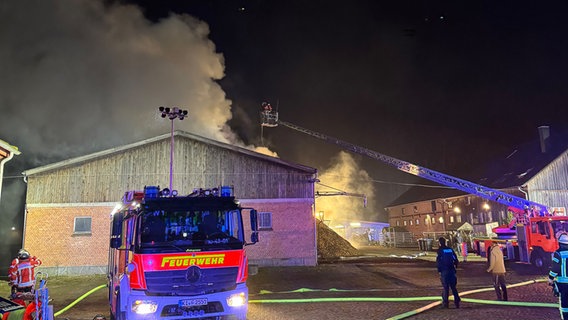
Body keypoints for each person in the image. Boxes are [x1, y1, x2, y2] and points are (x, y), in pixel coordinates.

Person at [436, 237, 461, 308]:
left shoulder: (440, 251)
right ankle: (457, 301)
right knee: (453, 287)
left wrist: (439, 270)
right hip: (451, 270)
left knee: (446, 288)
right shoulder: (450, 249)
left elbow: (438, 261)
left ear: (440, 243)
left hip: (444, 271)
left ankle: (445, 303)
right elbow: (455, 259)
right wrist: (455, 267)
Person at [549, 232, 568, 319]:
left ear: (559, 243)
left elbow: (555, 268)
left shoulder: (558, 253)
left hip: (563, 283)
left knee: (564, 304)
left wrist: (550, 278)